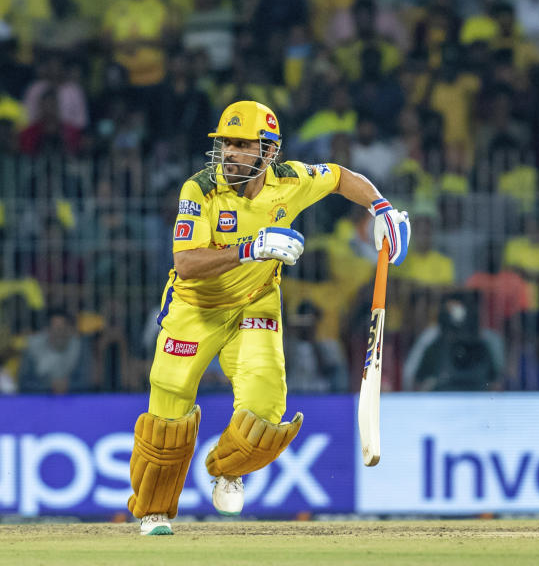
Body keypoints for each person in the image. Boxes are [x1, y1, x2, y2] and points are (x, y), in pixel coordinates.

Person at [128, 100, 411, 536]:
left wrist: (382, 207)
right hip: (194, 308)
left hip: (255, 303)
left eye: (243, 145)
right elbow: (185, 263)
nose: (230, 153)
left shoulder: (291, 181)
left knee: (264, 405)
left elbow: (339, 176)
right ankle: (155, 510)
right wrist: (248, 248)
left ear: (268, 152)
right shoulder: (199, 190)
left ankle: (228, 470)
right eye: (226, 144)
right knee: (169, 402)